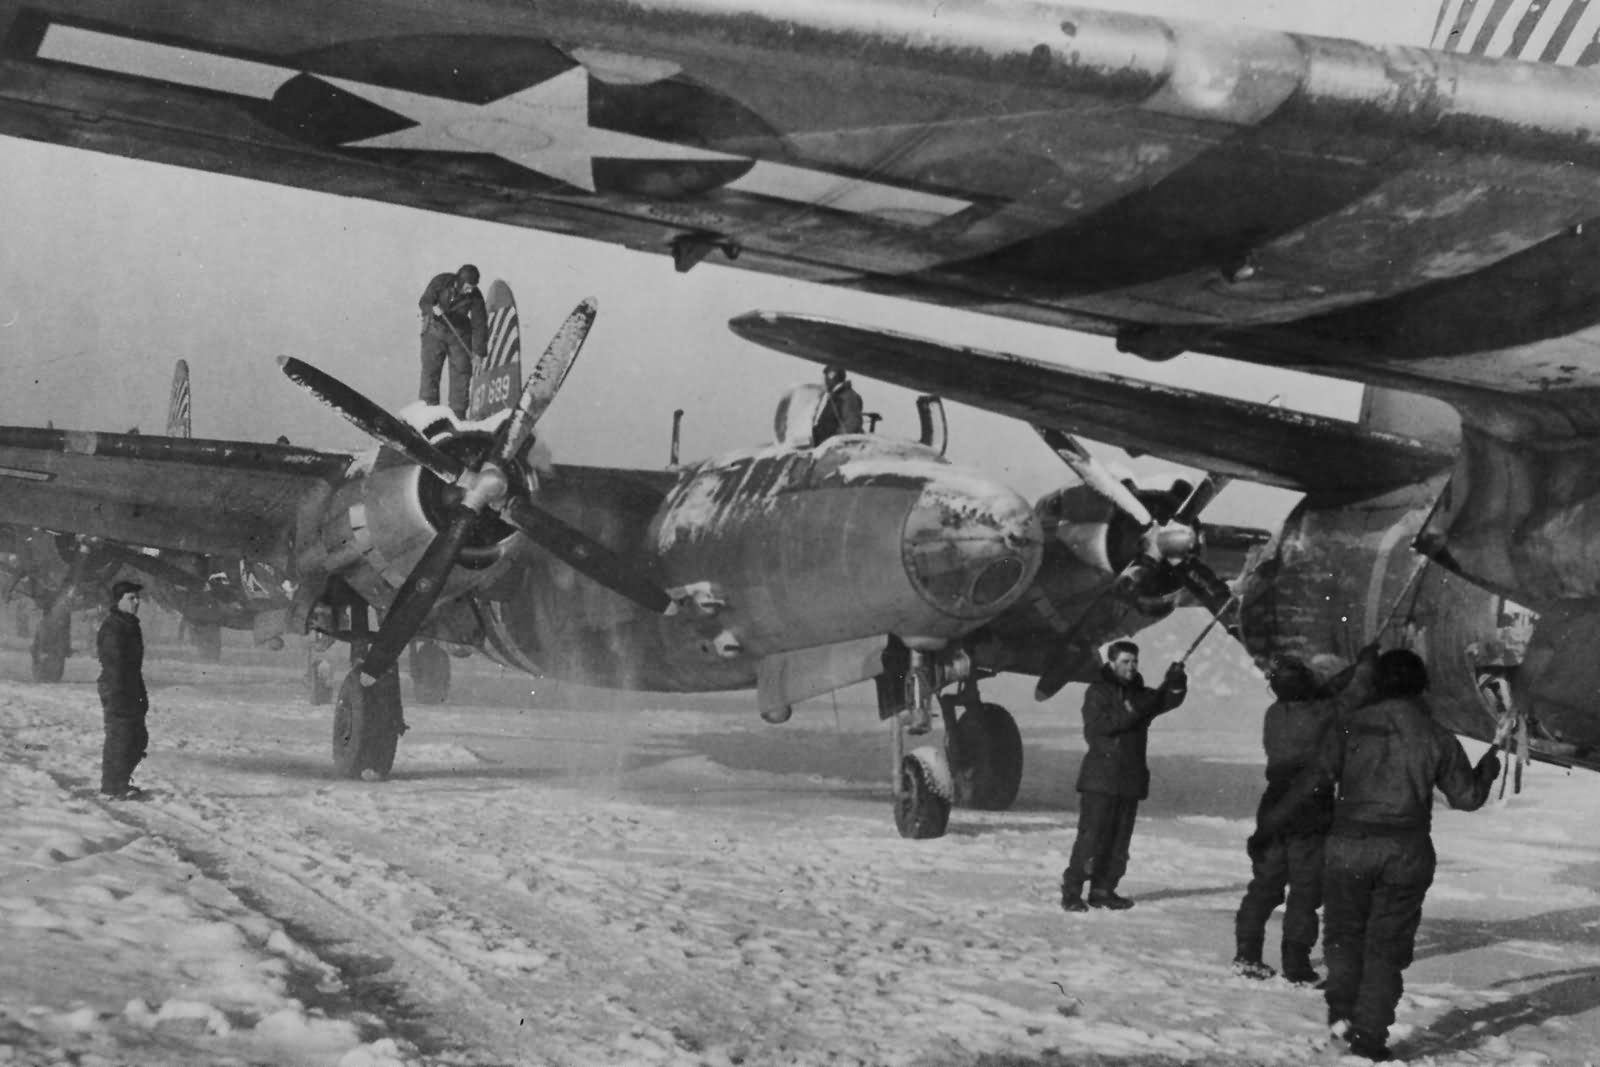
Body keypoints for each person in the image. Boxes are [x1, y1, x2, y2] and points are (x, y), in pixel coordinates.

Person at [1254, 649, 1502, 1062]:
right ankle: (1369, 1037)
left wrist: (1269, 828)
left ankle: (1341, 1016)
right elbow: (1467, 797)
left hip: (1348, 846)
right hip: (1405, 850)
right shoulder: (1436, 735)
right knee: (1386, 947)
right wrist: (1487, 771)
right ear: (1422, 685)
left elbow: (1311, 782)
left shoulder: (1348, 728)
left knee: (1344, 936)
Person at [1233, 646, 1376, 984]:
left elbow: (1328, 691)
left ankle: (1247, 953)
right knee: (1305, 889)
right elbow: (1353, 695)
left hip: (1273, 806)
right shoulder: (1324, 713)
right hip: (1310, 808)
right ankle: (1296, 963)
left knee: (1265, 885)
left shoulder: (1275, 713)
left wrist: (1353, 666)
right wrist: (1367, 663)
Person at [1060, 640, 1187, 912]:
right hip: (1100, 780)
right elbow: (1099, 728)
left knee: (1119, 841)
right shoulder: (1097, 692)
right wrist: (1134, 710)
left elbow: (1166, 700)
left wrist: (1176, 681)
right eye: (1125, 662)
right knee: (1091, 839)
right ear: (1112, 663)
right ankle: (1072, 891)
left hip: (1129, 779)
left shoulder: (1140, 695)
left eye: (1134, 662)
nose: (1131, 667)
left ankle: (1103, 890)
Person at [97, 580, 150, 800]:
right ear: (118, 601)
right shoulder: (113, 627)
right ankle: (112, 786)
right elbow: (114, 664)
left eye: (137, 598)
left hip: (130, 688)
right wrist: (119, 695)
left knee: (137, 738)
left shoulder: (129, 624)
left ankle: (120, 781)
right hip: (117, 689)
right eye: (131, 598)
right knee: (120, 739)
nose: (136, 602)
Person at [418, 263, 488, 418]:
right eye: (468, 286)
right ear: (460, 282)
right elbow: (424, 301)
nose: (470, 290)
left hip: (459, 334)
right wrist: (432, 309)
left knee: (462, 373)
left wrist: (478, 353)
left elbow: (479, 324)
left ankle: (458, 417)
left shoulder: (475, 296)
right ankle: (428, 414)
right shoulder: (440, 281)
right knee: (431, 371)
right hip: (435, 331)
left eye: (473, 287)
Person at [811, 365, 864, 444]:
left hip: (831, 448)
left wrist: (833, 440)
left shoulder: (846, 396)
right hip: (822, 443)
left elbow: (852, 423)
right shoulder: (836, 395)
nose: (824, 382)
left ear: (832, 377)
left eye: (825, 378)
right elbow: (826, 423)